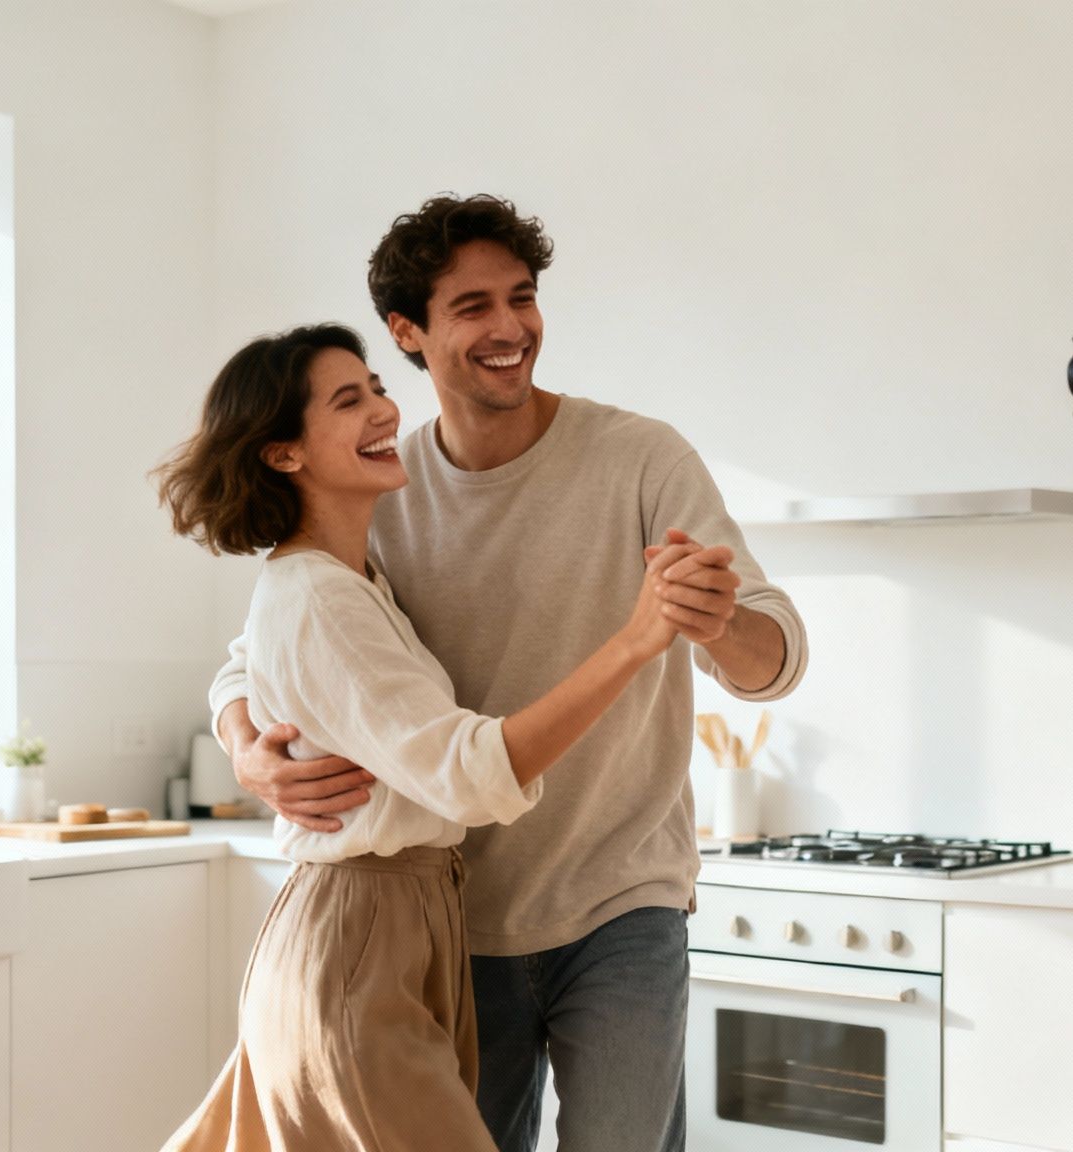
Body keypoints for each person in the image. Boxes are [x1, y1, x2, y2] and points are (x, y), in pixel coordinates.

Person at [208, 195, 809, 1151]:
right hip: (454, 920)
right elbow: (262, 651)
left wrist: (716, 619)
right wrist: (248, 750)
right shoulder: (381, 486)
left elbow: (774, 660)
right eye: (473, 306)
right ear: (409, 331)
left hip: (622, 899)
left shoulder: (641, 458)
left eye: (521, 298)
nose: (509, 328)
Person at [154, 323, 698, 1150]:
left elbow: (254, 665)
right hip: (361, 937)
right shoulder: (320, 597)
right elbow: (468, 773)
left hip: (398, 931)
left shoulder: (354, 575)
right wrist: (634, 640)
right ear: (283, 454)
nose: (383, 409)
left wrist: (240, 732)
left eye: (375, 387)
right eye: (349, 400)